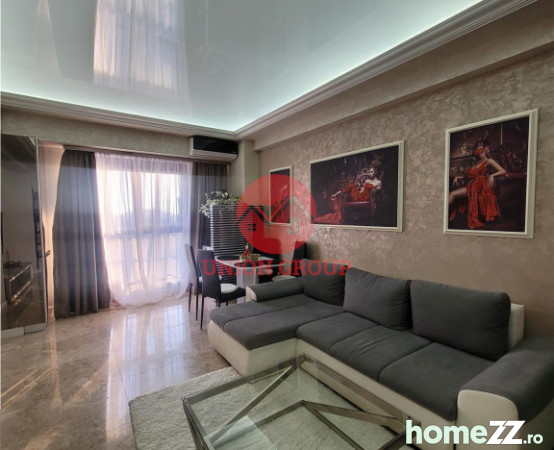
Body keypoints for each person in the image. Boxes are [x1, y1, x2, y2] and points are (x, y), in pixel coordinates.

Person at [449, 142, 506, 229]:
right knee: (452, 194)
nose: (479, 153)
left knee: (452, 194)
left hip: (481, 187)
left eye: (481, 150)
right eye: (477, 151)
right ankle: (444, 214)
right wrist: (458, 177)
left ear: (486, 150)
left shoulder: (489, 161)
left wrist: (492, 175)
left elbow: (503, 170)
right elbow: (468, 175)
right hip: (472, 186)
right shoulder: (476, 163)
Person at [316, 166, 382, 224]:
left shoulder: (378, 182)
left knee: (352, 186)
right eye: (369, 172)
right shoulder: (367, 180)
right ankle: (335, 195)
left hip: (365, 198)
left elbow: (378, 190)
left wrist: (374, 187)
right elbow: (361, 188)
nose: (370, 173)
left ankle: (335, 195)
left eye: (371, 172)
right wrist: (366, 175)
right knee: (350, 186)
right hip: (358, 195)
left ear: (375, 172)